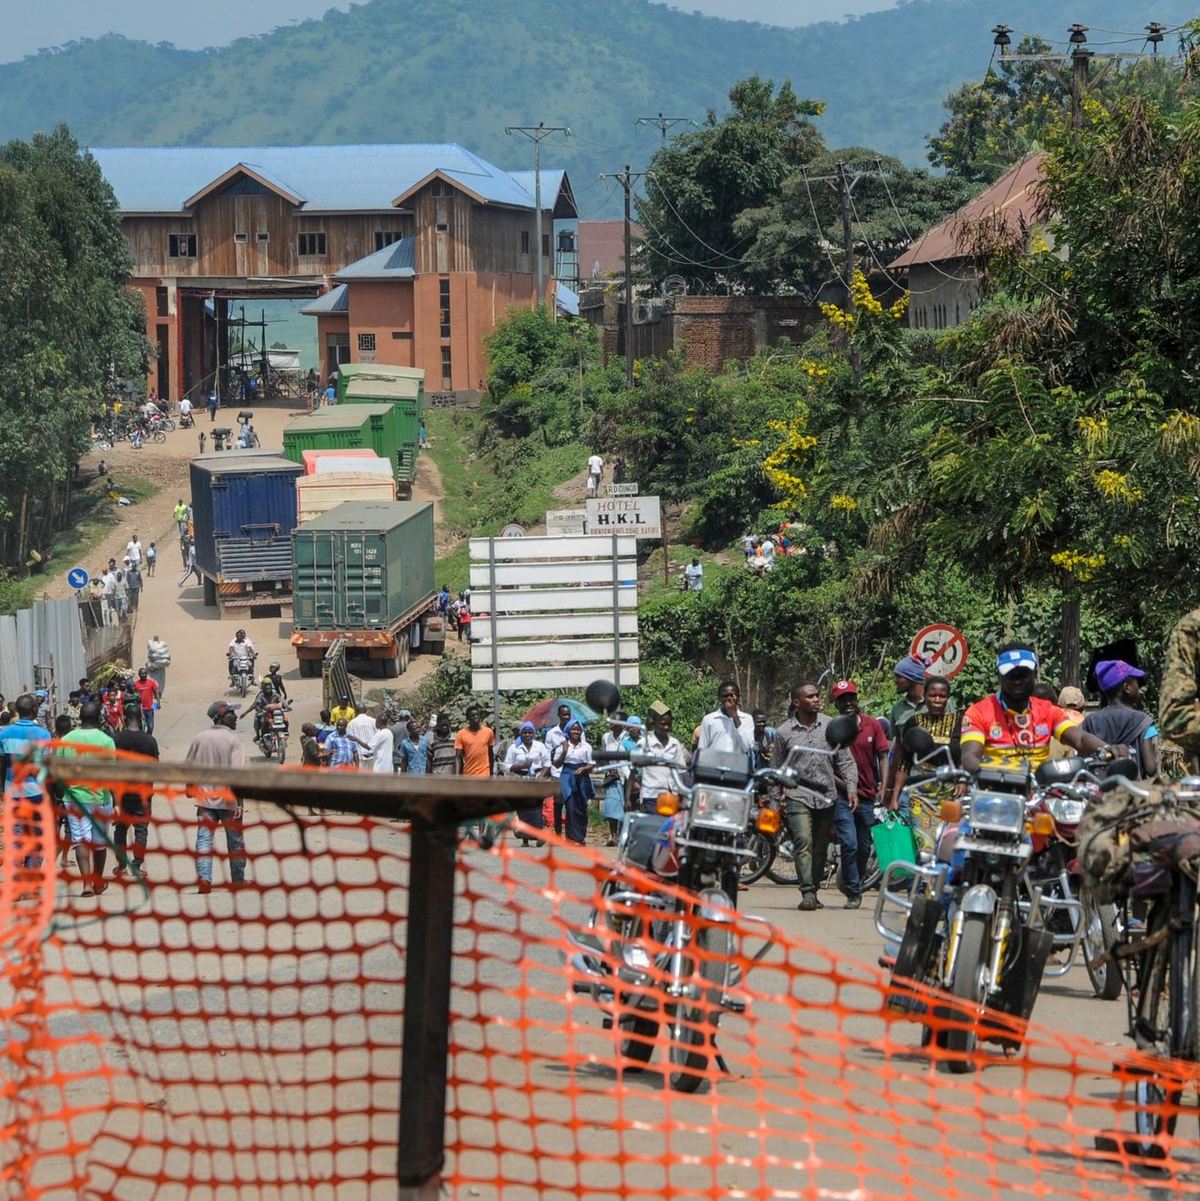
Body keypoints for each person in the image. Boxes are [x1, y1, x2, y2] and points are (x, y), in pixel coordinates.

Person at [771, 682, 858, 912]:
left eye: (818, 695)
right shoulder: (783, 733)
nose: (817, 699)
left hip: (826, 795)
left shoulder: (831, 726)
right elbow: (776, 769)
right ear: (796, 702)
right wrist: (772, 803)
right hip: (797, 795)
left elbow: (846, 761)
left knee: (820, 847)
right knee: (803, 841)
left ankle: (815, 888)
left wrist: (851, 787)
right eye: (810, 696)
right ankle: (807, 892)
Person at [959, 644, 1105, 773]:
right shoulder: (978, 712)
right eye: (1011, 675)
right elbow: (969, 756)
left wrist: (1107, 748)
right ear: (999, 677)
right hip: (994, 792)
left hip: (1038, 794)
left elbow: (1080, 739)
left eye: (1024, 675)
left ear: (1035, 675)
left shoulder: (1048, 711)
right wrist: (985, 772)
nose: (1018, 681)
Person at [829, 681, 888, 910]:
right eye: (843, 699)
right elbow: (826, 762)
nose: (848, 703)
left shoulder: (872, 725)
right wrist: (842, 784)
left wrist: (884, 785)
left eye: (851, 698)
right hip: (841, 796)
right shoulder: (832, 728)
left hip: (867, 794)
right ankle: (853, 893)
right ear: (836, 704)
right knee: (850, 844)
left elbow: (883, 756)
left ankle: (855, 881)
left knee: (864, 847)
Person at [58, 701, 117, 897]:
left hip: (74, 798)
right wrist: (115, 801)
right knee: (99, 843)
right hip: (100, 798)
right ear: (99, 718)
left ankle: (87, 885)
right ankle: (98, 883)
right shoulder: (106, 740)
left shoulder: (67, 739)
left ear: (80, 718)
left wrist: (61, 794)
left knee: (81, 840)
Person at [187, 702, 247, 892]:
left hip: (204, 800)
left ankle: (204, 878)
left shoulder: (200, 738)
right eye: (231, 714)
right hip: (228, 800)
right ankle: (238, 881)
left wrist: (190, 787)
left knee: (204, 839)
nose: (236, 717)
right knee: (235, 841)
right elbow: (237, 774)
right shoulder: (233, 740)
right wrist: (239, 802)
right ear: (220, 718)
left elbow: (188, 767)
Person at [891, 675, 961, 814]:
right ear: (924, 696)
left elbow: (963, 757)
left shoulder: (958, 722)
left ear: (947, 698)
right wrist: (894, 797)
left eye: (942, 696)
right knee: (920, 835)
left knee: (948, 835)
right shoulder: (914, 722)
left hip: (950, 794)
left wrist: (962, 781)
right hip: (919, 795)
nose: (937, 700)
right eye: (932, 695)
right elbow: (905, 762)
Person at [1083, 660, 1160, 779]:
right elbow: (1151, 768)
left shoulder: (1090, 721)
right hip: (1132, 791)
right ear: (1127, 687)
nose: (1138, 686)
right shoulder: (1144, 721)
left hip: (1102, 790)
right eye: (1136, 682)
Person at [0, 694, 52, 869]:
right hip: (36, 794)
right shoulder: (43, 735)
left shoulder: (4, 734)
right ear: (34, 710)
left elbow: (1, 764)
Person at [113, 703, 159, 878]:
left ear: (124, 718)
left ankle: (121, 865)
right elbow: (155, 767)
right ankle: (137, 866)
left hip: (121, 792)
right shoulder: (149, 740)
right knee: (141, 829)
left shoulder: (116, 739)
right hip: (144, 792)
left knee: (120, 828)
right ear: (141, 718)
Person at [504, 721, 552, 842]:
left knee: (536, 806)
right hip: (520, 779)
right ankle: (525, 836)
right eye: (524, 732)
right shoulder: (514, 747)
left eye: (530, 732)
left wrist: (541, 776)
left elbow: (547, 763)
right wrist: (521, 766)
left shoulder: (540, 746)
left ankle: (538, 834)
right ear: (521, 733)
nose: (527, 735)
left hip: (536, 779)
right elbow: (506, 765)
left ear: (533, 733)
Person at [638, 701, 687, 815]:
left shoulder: (675, 744)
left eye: (669, 724)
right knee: (654, 829)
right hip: (652, 797)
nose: (666, 727)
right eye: (663, 724)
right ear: (653, 723)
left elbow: (681, 772)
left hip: (671, 797)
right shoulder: (644, 743)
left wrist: (682, 796)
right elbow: (634, 770)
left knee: (669, 830)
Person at [600, 715, 642, 845]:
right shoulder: (607, 737)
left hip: (635, 777)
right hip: (617, 776)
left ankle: (632, 836)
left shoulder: (639, 740)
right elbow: (605, 755)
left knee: (634, 807)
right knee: (615, 806)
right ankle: (615, 836)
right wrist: (609, 768)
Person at [552, 720, 594, 844]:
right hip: (567, 776)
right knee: (570, 806)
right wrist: (564, 752)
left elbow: (592, 764)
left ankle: (580, 837)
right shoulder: (562, 746)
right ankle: (571, 837)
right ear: (568, 731)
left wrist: (584, 769)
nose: (576, 732)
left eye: (578, 730)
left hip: (582, 777)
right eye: (573, 729)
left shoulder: (586, 746)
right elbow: (556, 764)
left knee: (581, 806)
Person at [697, 680, 755, 755]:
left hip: (736, 765)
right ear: (719, 698)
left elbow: (747, 746)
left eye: (731, 695)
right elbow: (702, 748)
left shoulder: (747, 719)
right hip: (714, 765)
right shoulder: (709, 719)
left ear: (738, 697)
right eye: (725, 696)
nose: (728, 699)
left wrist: (735, 717)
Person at [455, 705, 495, 779]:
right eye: (472, 715)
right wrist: (457, 776)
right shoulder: (461, 734)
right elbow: (458, 757)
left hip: (484, 774)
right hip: (468, 774)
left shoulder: (488, 732)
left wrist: (491, 774)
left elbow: (491, 754)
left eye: (477, 714)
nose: (475, 717)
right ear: (468, 718)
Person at [131, 667, 161, 735]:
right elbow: (134, 695)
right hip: (140, 709)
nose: (143, 675)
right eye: (142, 673)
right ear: (139, 674)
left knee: (151, 726)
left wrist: (158, 703)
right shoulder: (136, 684)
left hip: (150, 708)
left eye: (145, 673)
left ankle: (148, 736)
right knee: (142, 727)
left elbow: (156, 692)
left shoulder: (151, 683)